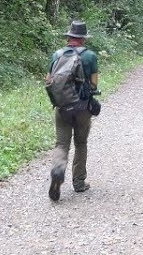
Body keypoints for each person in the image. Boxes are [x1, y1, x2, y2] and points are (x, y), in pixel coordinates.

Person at [47, 20, 99, 202]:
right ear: (83, 39)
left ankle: (58, 170)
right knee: (81, 143)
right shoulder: (90, 56)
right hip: (82, 108)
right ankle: (78, 182)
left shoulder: (57, 54)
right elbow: (94, 84)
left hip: (62, 108)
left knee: (61, 145)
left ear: (69, 37)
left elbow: (49, 80)